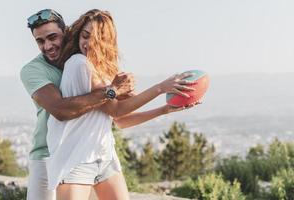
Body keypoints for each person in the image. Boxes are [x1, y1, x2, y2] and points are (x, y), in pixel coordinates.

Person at [46, 9, 198, 200]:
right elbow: (116, 108)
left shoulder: (101, 70)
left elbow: (120, 120)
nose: (88, 43)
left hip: (104, 157)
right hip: (77, 159)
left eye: (96, 39)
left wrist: (164, 109)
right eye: (85, 36)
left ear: (106, 42)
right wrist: (160, 87)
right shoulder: (79, 63)